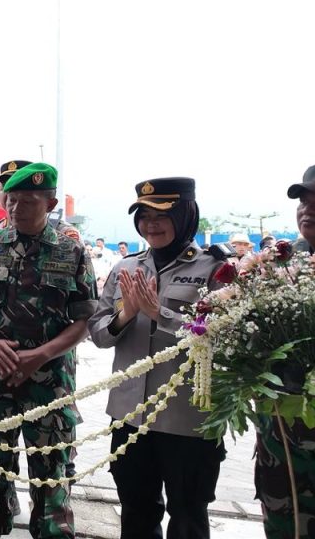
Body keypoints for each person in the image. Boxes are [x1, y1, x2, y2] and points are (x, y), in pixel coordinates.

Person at [88, 178, 227, 539]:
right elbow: (99, 333)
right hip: (130, 415)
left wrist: (159, 313)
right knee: (136, 512)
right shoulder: (125, 268)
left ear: (185, 216)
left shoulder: (215, 270)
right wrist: (126, 314)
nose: (151, 224)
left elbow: (224, 339)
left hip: (187, 419)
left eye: (162, 215)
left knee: (188, 516)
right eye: (144, 216)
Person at [0, 163, 96, 539]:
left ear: (50, 203)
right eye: (11, 199)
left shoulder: (71, 250)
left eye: (27, 201)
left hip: (49, 383)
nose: (15, 208)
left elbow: (85, 318)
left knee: (51, 477)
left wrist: (40, 354)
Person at [256, 165, 315, 538]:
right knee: (283, 522)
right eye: (303, 202)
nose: (308, 210)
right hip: (280, 435)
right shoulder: (281, 263)